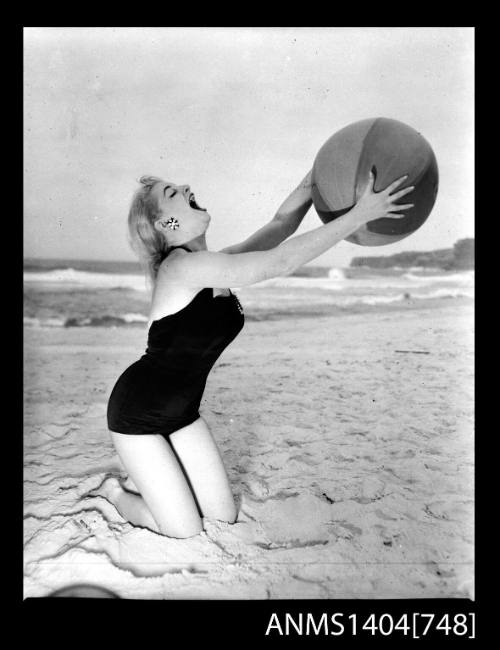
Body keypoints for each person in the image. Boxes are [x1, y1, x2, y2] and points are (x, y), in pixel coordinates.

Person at [103, 169, 414, 538]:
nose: (187, 186)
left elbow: (281, 225)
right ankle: (113, 493)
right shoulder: (180, 267)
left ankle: (150, 476)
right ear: (164, 223)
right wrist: (359, 215)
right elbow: (280, 263)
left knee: (223, 519)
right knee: (183, 531)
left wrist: (317, 176)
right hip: (135, 417)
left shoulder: (215, 264)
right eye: (172, 192)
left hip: (182, 415)